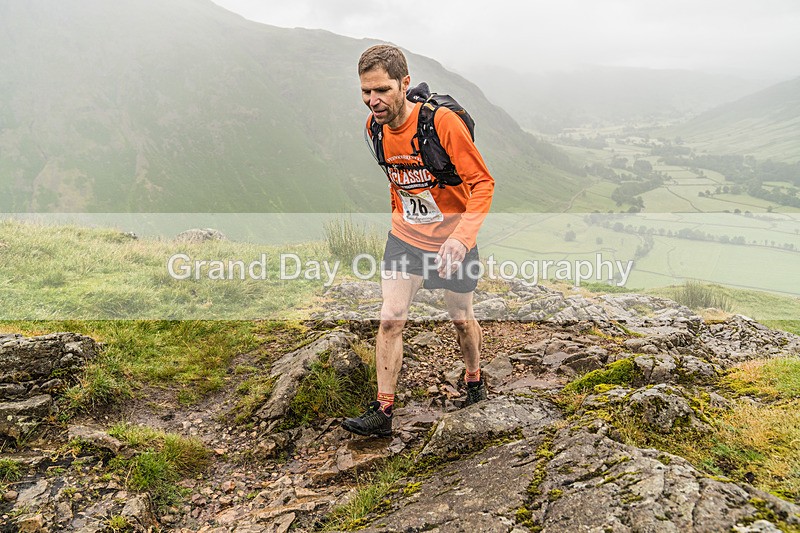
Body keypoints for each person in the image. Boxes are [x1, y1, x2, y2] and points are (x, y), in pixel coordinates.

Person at [342, 44, 495, 437]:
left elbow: (482, 184)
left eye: (382, 90)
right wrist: (403, 221)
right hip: (405, 240)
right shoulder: (373, 129)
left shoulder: (441, 123)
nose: (373, 101)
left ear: (404, 84)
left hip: (453, 241)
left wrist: (461, 239)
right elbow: (398, 182)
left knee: (461, 319)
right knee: (391, 318)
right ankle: (383, 411)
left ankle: (474, 379)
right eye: (365, 92)